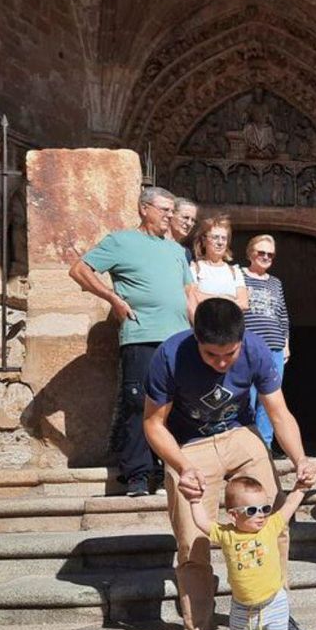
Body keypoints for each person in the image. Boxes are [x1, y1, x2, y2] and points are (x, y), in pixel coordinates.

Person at [142, 297, 316, 630]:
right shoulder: (169, 355)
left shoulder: (256, 349)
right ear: (196, 340)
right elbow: (153, 424)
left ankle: (276, 613)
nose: (222, 363)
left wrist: (300, 458)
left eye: (229, 355)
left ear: (242, 342)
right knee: (193, 541)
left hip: (241, 436)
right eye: (211, 355)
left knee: (273, 520)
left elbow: (278, 412)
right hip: (189, 446)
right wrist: (180, 466)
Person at [69, 185, 193, 497]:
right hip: (142, 335)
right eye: (163, 210)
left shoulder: (178, 251)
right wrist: (111, 297)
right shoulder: (121, 241)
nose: (169, 216)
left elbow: (190, 296)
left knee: (179, 405)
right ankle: (139, 475)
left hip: (179, 338)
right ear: (144, 209)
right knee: (140, 404)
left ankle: (174, 470)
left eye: (171, 211)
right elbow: (79, 269)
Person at [188, 475, 307, 630]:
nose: (261, 515)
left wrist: (301, 488)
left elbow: (288, 507)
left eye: (265, 508)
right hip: (242, 604)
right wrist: (195, 501)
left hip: (273, 601)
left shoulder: (270, 527)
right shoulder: (227, 534)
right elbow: (202, 523)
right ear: (233, 515)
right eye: (252, 510)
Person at [241, 234, 291, 449]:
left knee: (270, 400)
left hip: (275, 347)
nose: (265, 257)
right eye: (261, 252)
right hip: (248, 346)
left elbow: (282, 314)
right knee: (246, 397)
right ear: (250, 253)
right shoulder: (238, 276)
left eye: (270, 254)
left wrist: (286, 344)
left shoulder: (275, 282)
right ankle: (246, 447)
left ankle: (265, 448)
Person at [189, 216, 248, 312]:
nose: (220, 242)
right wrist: (226, 298)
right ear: (204, 241)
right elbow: (193, 297)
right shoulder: (195, 269)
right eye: (215, 237)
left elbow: (244, 303)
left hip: (230, 325)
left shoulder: (235, 271)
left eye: (224, 238)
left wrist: (208, 298)